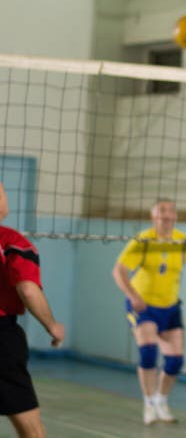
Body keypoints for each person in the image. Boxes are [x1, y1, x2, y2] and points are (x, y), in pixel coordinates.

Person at [112, 199, 186, 425]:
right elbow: (119, 271)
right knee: (148, 353)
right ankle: (148, 403)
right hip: (144, 306)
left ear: (175, 217)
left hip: (170, 307)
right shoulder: (144, 241)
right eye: (162, 212)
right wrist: (133, 295)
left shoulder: (183, 242)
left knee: (175, 362)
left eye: (171, 211)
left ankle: (160, 400)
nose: (167, 216)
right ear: (153, 217)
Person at [0, 182, 65, 438]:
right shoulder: (11, 241)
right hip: (1, 339)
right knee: (32, 429)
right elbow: (28, 290)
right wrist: (52, 325)